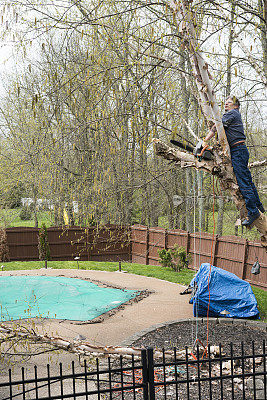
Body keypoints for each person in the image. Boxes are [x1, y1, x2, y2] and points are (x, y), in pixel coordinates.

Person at [203, 95, 264, 227]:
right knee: (247, 180)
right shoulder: (233, 114)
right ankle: (259, 206)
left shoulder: (232, 114)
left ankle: (253, 211)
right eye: (225, 102)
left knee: (243, 182)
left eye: (229, 102)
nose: (226, 104)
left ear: (236, 105)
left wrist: (204, 140)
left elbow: (217, 127)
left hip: (238, 151)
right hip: (240, 150)